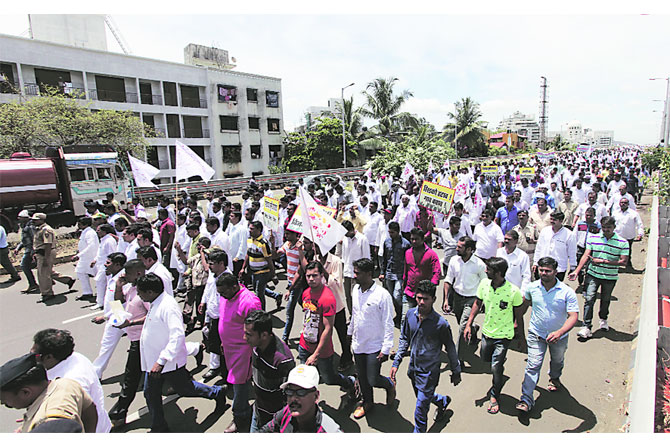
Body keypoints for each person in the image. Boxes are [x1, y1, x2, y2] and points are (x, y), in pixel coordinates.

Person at [137, 273, 225, 433]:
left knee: (186, 389)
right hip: (154, 362)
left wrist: (162, 360)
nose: (138, 295)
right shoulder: (156, 302)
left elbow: (177, 335)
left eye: (140, 292)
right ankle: (159, 426)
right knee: (150, 393)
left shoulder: (167, 306)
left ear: (150, 292)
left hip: (168, 363)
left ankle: (216, 393)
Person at [391, 280, 461, 433]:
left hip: (429, 373)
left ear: (433, 300)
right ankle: (442, 400)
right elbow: (404, 338)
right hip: (413, 370)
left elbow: (450, 348)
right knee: (423, 397)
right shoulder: (410, 315)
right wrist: (396, 362)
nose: (421, 302)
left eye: (426, 299)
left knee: (420, 410)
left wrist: (456, 371)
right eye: (419, 298)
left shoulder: (441, 324)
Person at [516, 257, 579, 413]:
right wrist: (516, 324)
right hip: (536, 334)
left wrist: (560, 332)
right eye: (541, 270)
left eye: (547, 271)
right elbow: (524, 305)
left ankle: (554, 377)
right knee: (533, 365)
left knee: (557, 361)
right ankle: (526, 399)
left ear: (555, 272)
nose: (543, 273)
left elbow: (573, 316)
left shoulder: (566, 292)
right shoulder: (532, 288)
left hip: (559, 338)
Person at [463, 257, 524, 415]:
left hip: (504, 336)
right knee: (485, 358)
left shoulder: (513, 291)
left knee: (496, 368)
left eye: (488, 269)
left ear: (498, 273)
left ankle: (494, 394)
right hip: (487, 333)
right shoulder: (483, 284)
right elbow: (477, 303)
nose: (485, 271)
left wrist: (522, 339)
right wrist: (469, 324)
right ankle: (499, 362)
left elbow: (519, 316)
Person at [30, 328, 111, 432]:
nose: (30, 358)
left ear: (49, 357)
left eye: (34, 355)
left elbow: (74, 418)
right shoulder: (74, 357)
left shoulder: (71, 381)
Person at [297, 261, 356, 396]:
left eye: (314, 275)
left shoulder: (328, 298)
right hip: (304, 344)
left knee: (329, 379)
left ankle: (350, 382)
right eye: (308, 276)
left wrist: (316, 354)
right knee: (303, 379)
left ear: (322, 275)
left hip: (322, 350)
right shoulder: (306, 293)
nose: (311, 279)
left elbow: (328, 329)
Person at [0, 353, 98, 433]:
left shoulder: (49, 422)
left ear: (26, 392)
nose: (3, 403)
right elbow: (90, 410)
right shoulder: (65, 384)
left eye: (5, 402)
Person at [349, 258, 395, 419]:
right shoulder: (355, 290)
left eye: (358, 273)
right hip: (358, 343)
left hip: (375, 346)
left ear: (369, 274)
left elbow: (388, 323)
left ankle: (389, 384)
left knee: (373, 378)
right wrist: (350, 334)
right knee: (362, 377)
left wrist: (386, 348)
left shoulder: (382, 295)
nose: (354, 276)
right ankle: (367, 402)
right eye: (354, 272)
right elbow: (355, 314)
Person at [569, 216, 629, 339]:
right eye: (604, 227)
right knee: (589, 299)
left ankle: (603, 318)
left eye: (609, 228)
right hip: (593, 274)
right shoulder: (593, 238)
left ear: (614, 228)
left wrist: (603, 261)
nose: (606, 230)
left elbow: (623, 262)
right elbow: (586, 255)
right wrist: (576, 271)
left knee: (605, 299)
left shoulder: (622, 242)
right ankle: (586, 326)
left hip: (610, 276)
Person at [217, 272, 263, 433]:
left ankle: (240, 416)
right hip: (229, 348)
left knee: (239, 383)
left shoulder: (249, 301)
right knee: (241, 381)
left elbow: (258, 328)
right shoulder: (226, 296)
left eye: (224, 292)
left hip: (244, 349)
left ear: (235, 286)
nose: (222, 296)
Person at [106, 259, 149, 427]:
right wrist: (118, 286)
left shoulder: (145, 291)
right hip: (133, 339)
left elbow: (152, 315)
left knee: (130, 378)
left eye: (128, 274)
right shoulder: (130, 288)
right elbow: (118, 304)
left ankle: (118, 413)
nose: (125, 277)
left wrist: (130, 324)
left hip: (142, 341)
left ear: (138, 273)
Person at [243, 310, 295, 432]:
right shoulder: (256, 346)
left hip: (274, 420)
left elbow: (291, 394)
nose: (244, 338)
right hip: (258, 411)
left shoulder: (283, 360)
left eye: (249, 334)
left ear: (264, 335)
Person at [258, 364, 342, 433]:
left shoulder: (329, 431)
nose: (293, 398)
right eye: (289, 392)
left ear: (316, 396)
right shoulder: (286, 412)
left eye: (301, 392)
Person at [443, 236, 487, 363]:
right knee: (462, 323)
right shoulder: (454, 261)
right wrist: (446, 299)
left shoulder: (479, 264)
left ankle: (458, 358)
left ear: (469, 250)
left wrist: (482, 301)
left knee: (462, 327)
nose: (456, 248)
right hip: (457, 298)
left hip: (472, 300)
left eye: (460, 247)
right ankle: (473, 329)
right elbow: (448, 280)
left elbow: (485, 283)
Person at [91, 252, 127, 379]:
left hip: (119, 318)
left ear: (117, 265)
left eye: (108, 263)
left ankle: (95, 374)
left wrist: (105, 317)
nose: (105, 265)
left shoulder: (122, 280)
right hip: (116, 316)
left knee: (106, 345)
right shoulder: (113, 277)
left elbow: (121, 303)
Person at [199, 249, 228, 381]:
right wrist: (203, 302)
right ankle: (215, 368)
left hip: (222, 319)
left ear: (221, 264)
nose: (208, 266)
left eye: (211, 263)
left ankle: (226, 374)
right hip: (212, 315)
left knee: (223, 349)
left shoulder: (227, 279)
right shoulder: (213, 274)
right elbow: (208, 289)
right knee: (213, 345)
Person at [31, 213, 74, 302]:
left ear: (42, 220)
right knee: (47, 271)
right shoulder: (39, 229)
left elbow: (48, 245)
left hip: (46, 253)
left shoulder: (46, 230)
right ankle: (67, 280)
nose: (33, 221)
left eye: (36, 220)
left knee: (43, 274)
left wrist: (46, 258)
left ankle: (47, 293)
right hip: (41, 252)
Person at [402, 228, 441, 324]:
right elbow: (406, 270)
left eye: (416, 239)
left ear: (423, 239)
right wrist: (404, 283)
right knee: (405, 319)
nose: (413, 241)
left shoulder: (431, 254)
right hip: (409, 292)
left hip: (423, 295)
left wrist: (430, 288)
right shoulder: (407, 253)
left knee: (423, 319)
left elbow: (437, 272)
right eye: (412, 239)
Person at [242, 220, 277, 311]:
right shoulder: (249, 240)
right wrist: (243, 268)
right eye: (249, 229)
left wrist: (273, 275)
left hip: (262, 273)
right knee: (257, 290)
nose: (250, 231)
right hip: (253, 272)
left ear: (259, 230)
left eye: (252, 229)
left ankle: (262, 312)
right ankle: (276, 295)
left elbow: (269, 260)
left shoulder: (263, 243)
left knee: (259, 294)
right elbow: (248, 254)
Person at [533, 210, 577, 281]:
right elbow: (538, 248)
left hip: (559, 268)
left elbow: (572, 252)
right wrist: (535, 263)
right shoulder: (545, 231)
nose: (552, 221)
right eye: (551, 219)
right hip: (543, 267)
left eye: (554, 220)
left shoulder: (569, 235)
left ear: (561, 221)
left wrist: (572, 268)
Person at [381, 221, 411, 324]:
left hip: (400, 274)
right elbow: (384, 258)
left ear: (398, 232)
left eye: (392, 232)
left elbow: (409, 261)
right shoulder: (386, 242)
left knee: (397, 295)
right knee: (391, 297)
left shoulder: (406, 244)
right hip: (389, 273)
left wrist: (407, 276)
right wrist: (382, 272)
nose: (390, 234)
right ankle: (398, 314)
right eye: (389, 232)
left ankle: (404, 314)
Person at [340, 220, 370, 317]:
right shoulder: (345, 239)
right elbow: (344, 257)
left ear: (352, 230)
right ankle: (352, 315)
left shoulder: (362, 239)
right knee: (347, 296)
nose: (346, 235)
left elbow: (366, 258)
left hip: (357, 274)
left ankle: (359, 315)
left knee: (356, 296)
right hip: (347, 272)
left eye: (347, 233)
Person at [71, 216, 99, 301]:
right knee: (80, 272)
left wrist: (78, 255)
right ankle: (87, 292)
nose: (78, 225)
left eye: (80, 224)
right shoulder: (84, 232)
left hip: (90, 257)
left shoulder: (90, 233)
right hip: (84, 258)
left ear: (86, 224)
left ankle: (104, 291)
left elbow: (91, 246)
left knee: (98, 276)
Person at [496, 230, 532, 294]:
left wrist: (522, 293)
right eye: (505, 239)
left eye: (509, 239)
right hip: (499, 290)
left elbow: (526, 276)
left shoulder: (523, 256)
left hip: (515, 292)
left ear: (516, 241)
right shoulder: (498, 252)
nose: (506, 241)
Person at [612, 197, 644, 268]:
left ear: (628, 204)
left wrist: (640, 233)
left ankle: (628, 265)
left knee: (627, 252)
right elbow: (611, 223)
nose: (623, 204)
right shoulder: (615, 213)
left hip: (628, 236)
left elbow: (639, 224)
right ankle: (616, 266)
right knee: (616, 251)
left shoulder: (633, 213)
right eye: (622, 203)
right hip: (617, 236)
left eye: (625, 203)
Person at [92, 223, 118, 309]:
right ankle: (102, 302)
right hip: (102, 266)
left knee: (109, 286)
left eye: (99, 230)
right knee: (101, 283)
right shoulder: (103, 240)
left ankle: (111, 305)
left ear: (104, 231)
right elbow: (101, 253)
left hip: (107, 267)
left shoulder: (109, 241)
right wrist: (95, 260)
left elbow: (112, 254)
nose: (97, 232)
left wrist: (110, 267)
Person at [13, 210, 38, 292]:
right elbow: (24, 240)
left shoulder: (30, 227)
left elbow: (34, 239)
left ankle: (33, 284)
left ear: (25, 218)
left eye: (20, 217)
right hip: (28, 249)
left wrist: (33, 251)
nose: (19, 219)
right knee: (39, 267)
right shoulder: (25, 226)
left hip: (30, 250)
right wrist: (18, 248)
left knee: (24, 265)